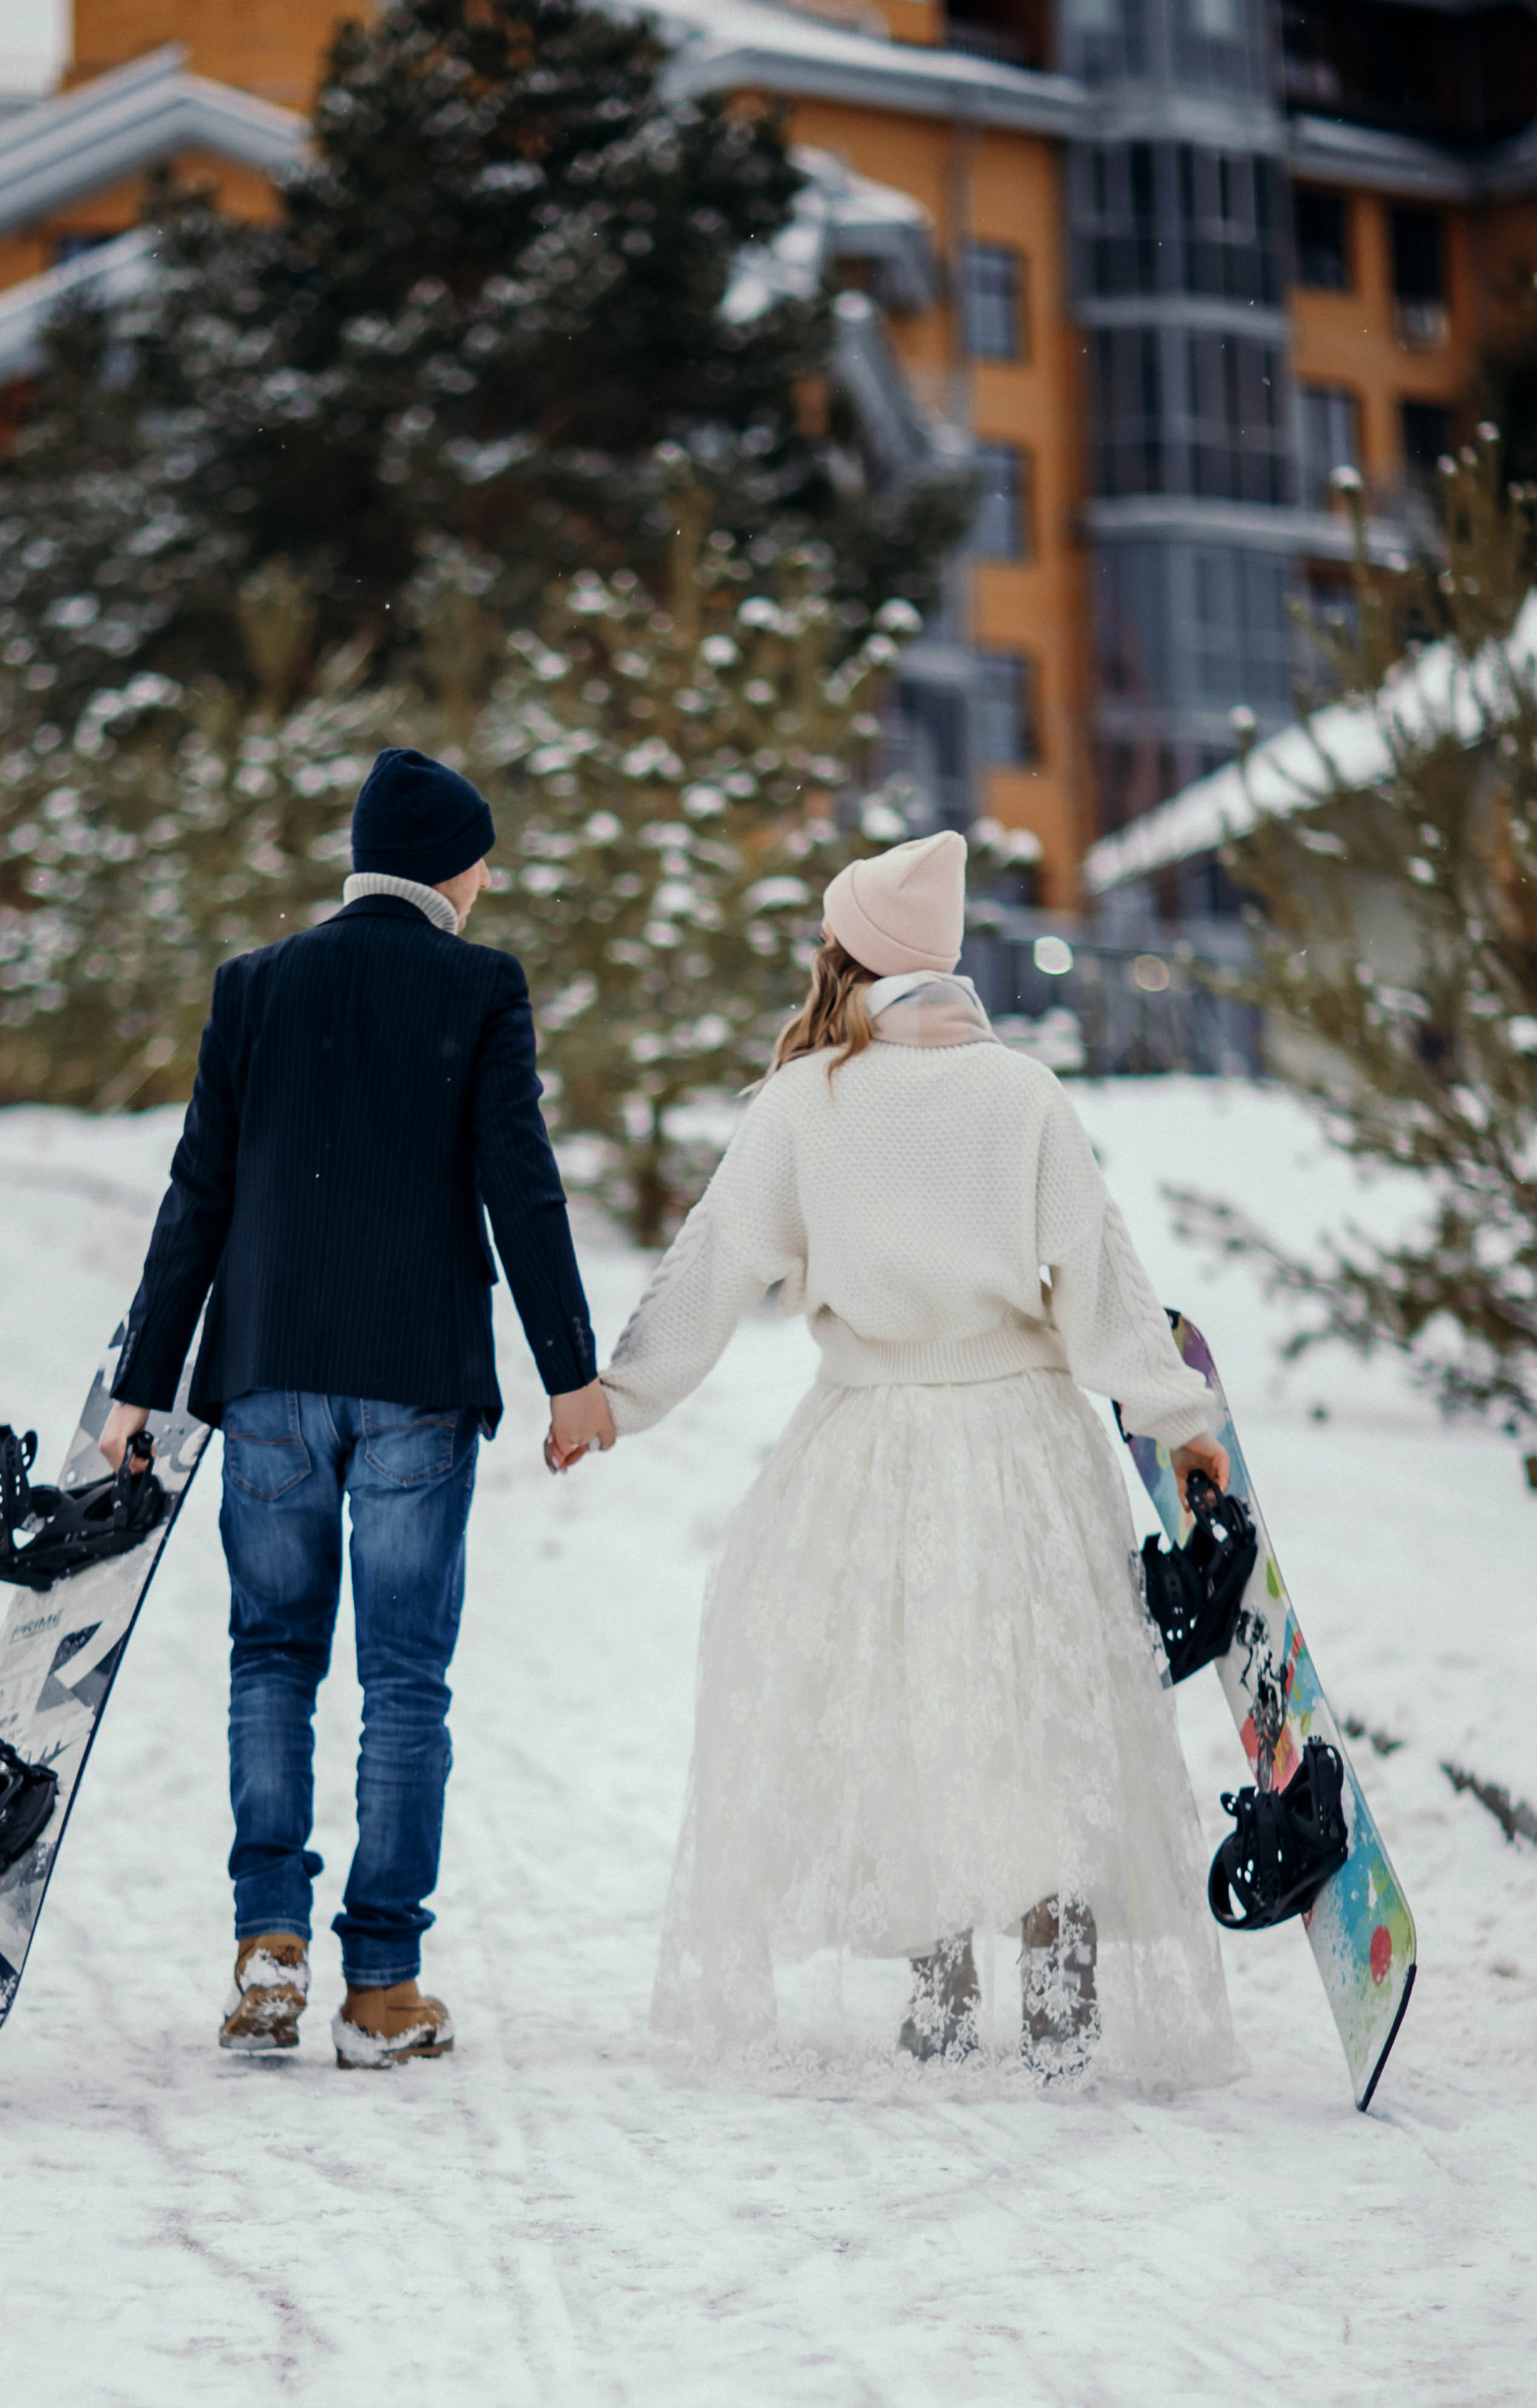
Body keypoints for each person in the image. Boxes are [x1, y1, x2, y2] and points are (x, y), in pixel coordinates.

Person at [599, 829, 1238, 2087]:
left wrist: (619, 1400)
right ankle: (1061, 1992)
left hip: (870, 1450)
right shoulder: (1024, 1096)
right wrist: (1181, 1418)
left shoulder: (806, 1099)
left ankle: (940, 1991)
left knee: (901, 1711)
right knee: (1034, 1710)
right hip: (1024, 1450)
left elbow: (717, 1260)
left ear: (850, 958)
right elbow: (1101, 1282)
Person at [98, 746, 616, 2068]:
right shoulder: (479, 985)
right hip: (416, 1386)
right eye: (485, 857)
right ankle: (382, 1987)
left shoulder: (258, 983)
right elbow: (524, 1182)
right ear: (453, 865)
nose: (490, 880)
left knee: (270, 1653)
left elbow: (196, 1194)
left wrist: (138, 1389)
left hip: (267, 1368)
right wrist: (572, 1373)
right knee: (403, 1678)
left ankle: (268, 1942)